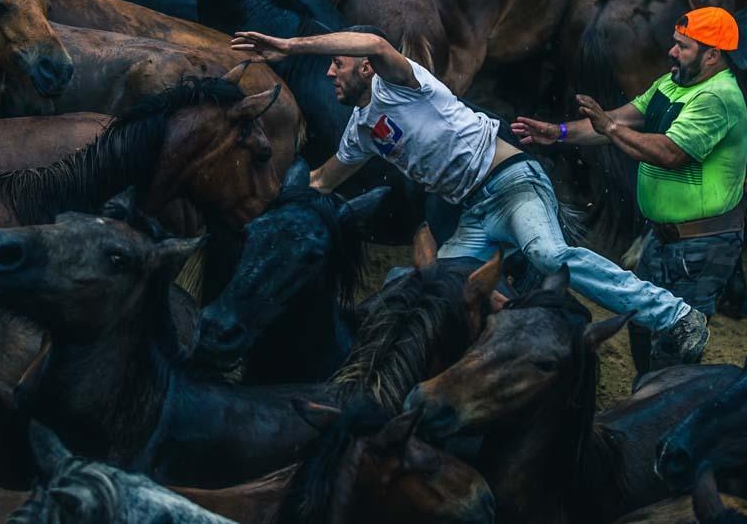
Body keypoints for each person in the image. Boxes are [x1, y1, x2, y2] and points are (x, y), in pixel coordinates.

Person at [230, 25, 710, 366]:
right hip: (475, 213)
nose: (330, 75)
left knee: (547, 253)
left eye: (337, 65)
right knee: (434, 286)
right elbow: (318, 184)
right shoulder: (361, 131)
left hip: (513, 181)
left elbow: (375, 41)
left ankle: (677, 315)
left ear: (365, 68)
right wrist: (247, 208)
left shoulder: (401, 83)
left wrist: (290, 46)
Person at [513, 7, 747, 374]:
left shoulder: (717, 98)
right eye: (675, 44)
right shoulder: (673, 82)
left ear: (713, 55)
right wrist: (558, 133)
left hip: (701, 246)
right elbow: (618, 120)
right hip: (661, 237)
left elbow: (670, 153)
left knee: (676, 339)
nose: (672, 52)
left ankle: (659, 413)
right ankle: (645, 392)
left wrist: (610, 128)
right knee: (641, 321)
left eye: (683, 47)